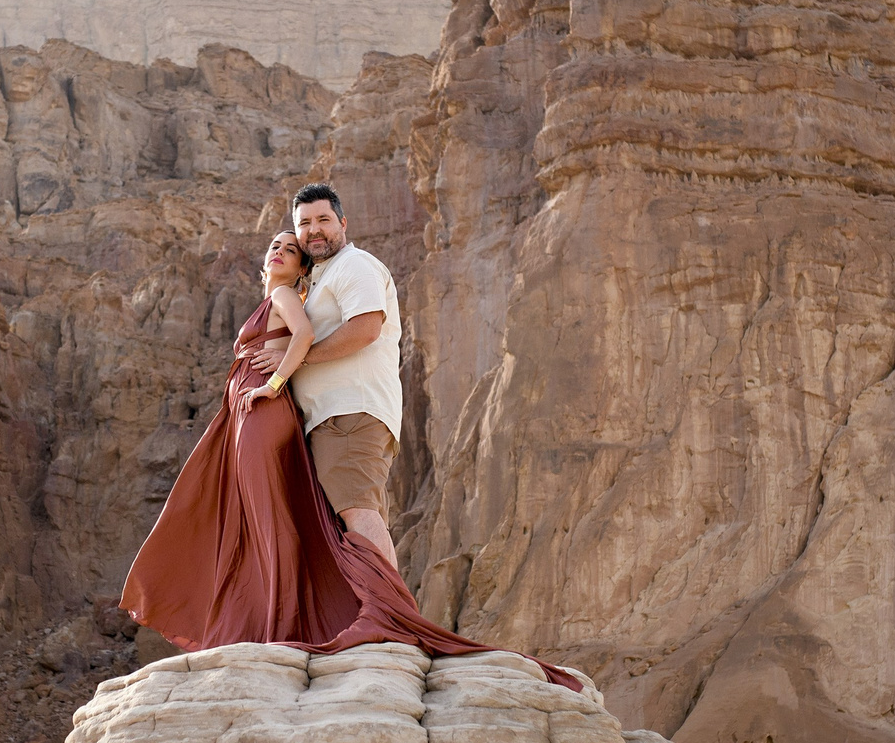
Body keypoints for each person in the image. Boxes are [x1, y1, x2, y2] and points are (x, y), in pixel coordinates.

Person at [118, 221, 581, 690]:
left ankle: (314, 621)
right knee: (260, 517)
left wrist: (274, 381)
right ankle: (279, 621)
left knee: (268, 517)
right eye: (274, 245)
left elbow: (304, 337)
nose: (279, 251)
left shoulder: (286, 298)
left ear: (303, 267)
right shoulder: (277, 297)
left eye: (290, 248)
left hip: (265, 409)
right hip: (255, 412)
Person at [245, 183, 403, 571]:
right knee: (351, 517)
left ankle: (391, 616)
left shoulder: (355, 264)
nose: (314, 230)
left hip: (350, 411)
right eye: (305, 223)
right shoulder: (317, 284)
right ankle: (378, 614)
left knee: (357, 512)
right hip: (330, 419)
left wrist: (296, 361)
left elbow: (366, 329)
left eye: (323, 220)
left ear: (342, 223)